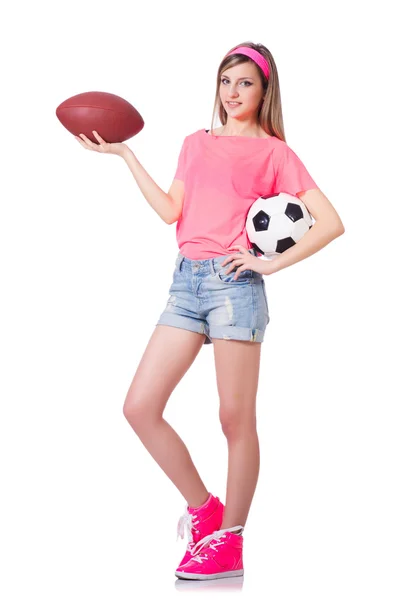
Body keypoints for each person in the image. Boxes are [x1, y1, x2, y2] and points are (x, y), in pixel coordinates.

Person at [75, 41, 345, 581]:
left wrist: (268, 266)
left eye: (245, 83)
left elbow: (330, 222)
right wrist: (127, 156)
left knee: (234, 418)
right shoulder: (194, 144)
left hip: (234, 286)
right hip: (185, 282)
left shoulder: (275, 153)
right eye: (226, 81)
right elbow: (172, 212)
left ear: (264, 90)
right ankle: (205, 511)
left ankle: (231, 541)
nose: (232, 92)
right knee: (139, 406)